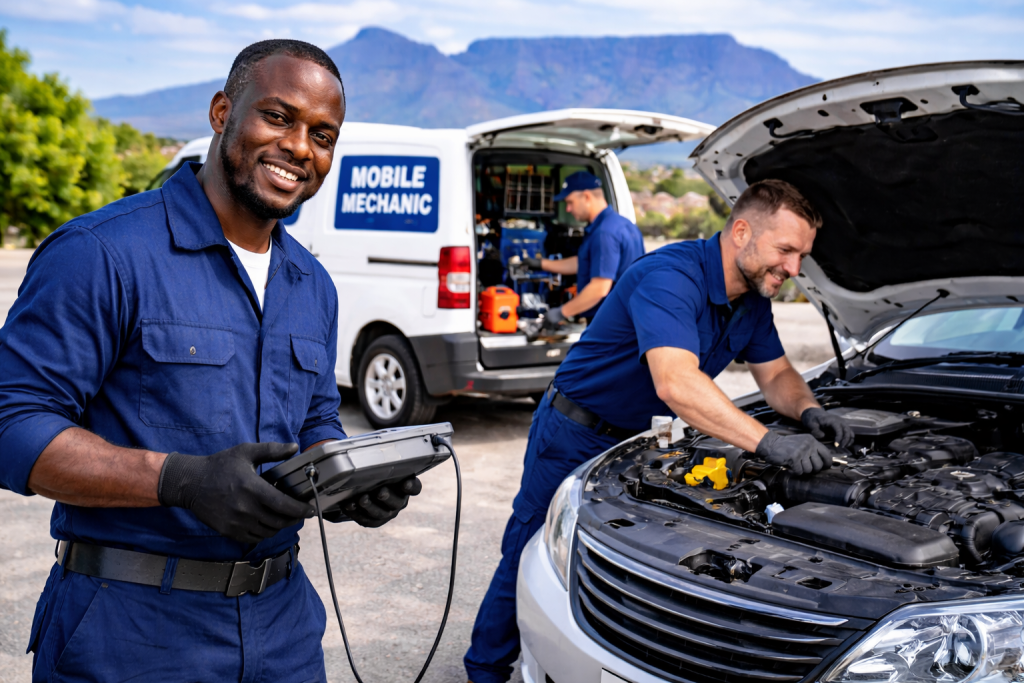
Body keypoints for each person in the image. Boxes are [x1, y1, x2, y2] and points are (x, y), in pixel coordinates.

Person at [0, 40, 421, 683]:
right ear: (222, 111)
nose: (300, 148)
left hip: (284, 632)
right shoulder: (102, 253)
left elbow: (315, 421)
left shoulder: (312, 286)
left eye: (323, 134)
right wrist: (181, 480)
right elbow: (12, 427)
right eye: (278, 117)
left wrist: (342, 483)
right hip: (128, 634)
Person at [464, 178, 854, 683]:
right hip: (574, 429)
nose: (794, 268)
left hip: (638, 440)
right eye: (786, 250)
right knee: (531, 546)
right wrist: (769, 441)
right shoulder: (671, 277)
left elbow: (777, 374)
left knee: (622, 558)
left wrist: (808, 412)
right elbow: (675, 382)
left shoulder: (752, 301)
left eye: (801, 255)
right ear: (741, 232)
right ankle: (484, 669)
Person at [523, 171, 644, 327]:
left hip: (610, 324)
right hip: (629, 319)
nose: (567, 209)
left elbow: (599, 288)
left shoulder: (604, 233)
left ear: (587, 197)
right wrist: (540, 264)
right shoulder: (624, 225)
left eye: (570, 202)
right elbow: (586, 262)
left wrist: (561, 313)